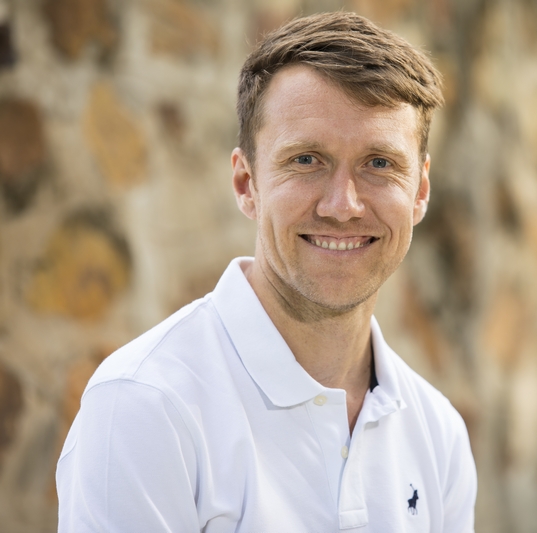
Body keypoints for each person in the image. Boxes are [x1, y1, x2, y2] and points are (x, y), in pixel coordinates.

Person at [55, 11, 477, 533]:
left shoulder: (439, 434)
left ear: (420, 190)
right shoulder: (146, 406)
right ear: (245, 183)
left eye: (380, 163)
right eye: (306, 160)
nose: (342, 206)